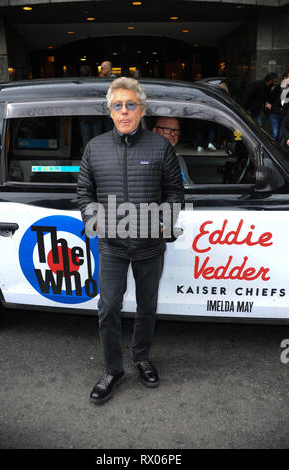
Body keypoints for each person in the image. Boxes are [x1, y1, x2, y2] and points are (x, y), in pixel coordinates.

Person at [77, 77, 184, 404]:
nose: (124, 111)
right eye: (117, 105)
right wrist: (98, 224)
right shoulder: (94, 147)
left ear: (142, 109)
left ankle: (141, 356)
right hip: (111, 245)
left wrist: (162, 225)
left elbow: (175, 193)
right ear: (110, 111)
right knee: (108, 307)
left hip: (150, 246)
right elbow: (84, 194)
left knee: (147, 306)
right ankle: (112, 369)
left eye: (130, 104)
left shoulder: (160, 146)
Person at [152, 116, 193, 186]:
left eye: (176, 130)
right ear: (155, 131)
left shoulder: (178, 157)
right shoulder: (148, 158)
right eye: (167, 129)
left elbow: (188, 183)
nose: (173, 134)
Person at [266, 72, 289, 144]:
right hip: (274, 114)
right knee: (275, 134)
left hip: (284, 115)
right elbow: (269, 99)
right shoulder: (277, 88)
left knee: (281, 135)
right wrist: (269, 107)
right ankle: (272, 150)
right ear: (285, 78)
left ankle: (277, 151)